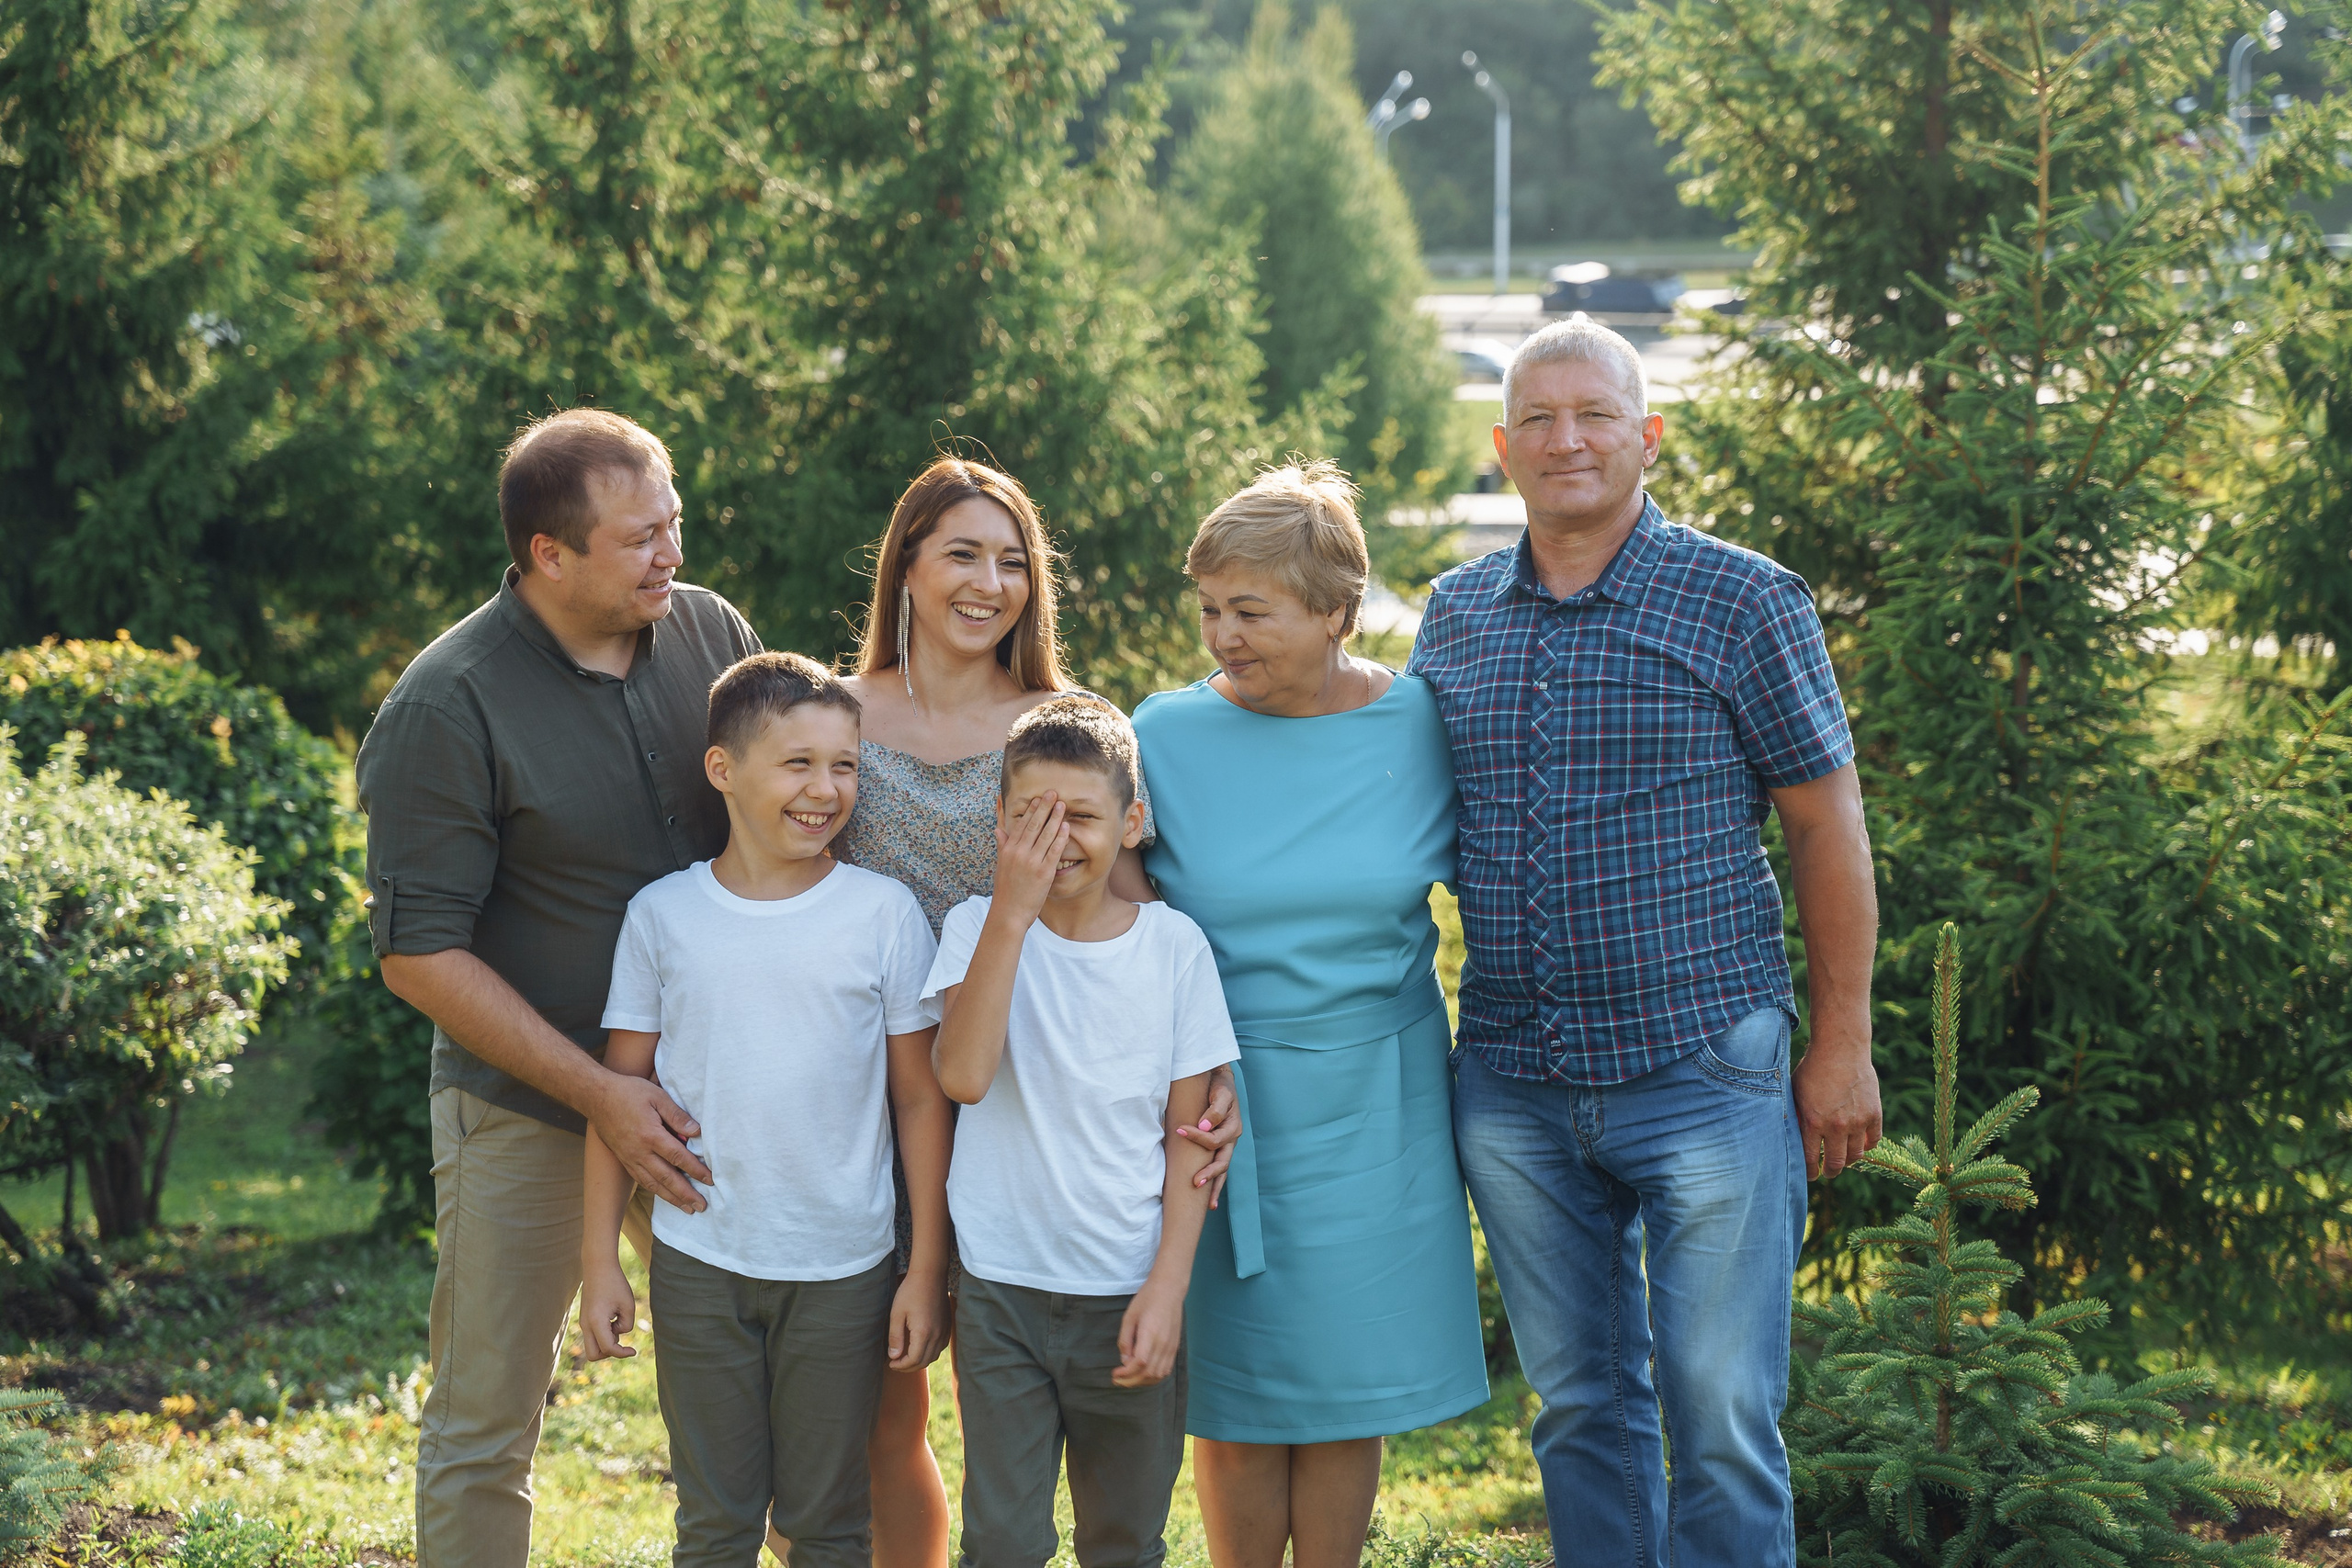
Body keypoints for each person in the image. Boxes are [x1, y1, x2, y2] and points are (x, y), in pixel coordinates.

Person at [1407, 317, 1882, 1567]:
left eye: (1595, 414)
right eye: (1539, 419)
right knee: (1579, 1409)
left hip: (1703, 1066)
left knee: (1720, 1415)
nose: (1567, 439)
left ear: (1648, 435)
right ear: (1503, 446)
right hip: (1513, 1079)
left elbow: (1826, 822)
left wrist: (1842, 1043)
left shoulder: (1744, 598)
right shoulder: (1453, 615)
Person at [355, 409, 760, 1568]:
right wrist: (598, 1093)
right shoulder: (446, 704)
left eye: (673, 523)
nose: (671, 555)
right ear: (549, 553)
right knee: (486, 1422)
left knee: (773, 1393)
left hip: (715, 1096)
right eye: (640, 539)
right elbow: (417, 955)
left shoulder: (710, 631)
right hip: (527, 1110)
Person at [832, 457, 1241, 1566]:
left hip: (1038, 1098)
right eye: (962, 554)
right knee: (875, 1413)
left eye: (1012, 562)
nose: (989, 583)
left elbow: (1131, 916)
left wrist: (1204, 1088)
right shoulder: (834, 714)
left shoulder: (1068, 726)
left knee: (1086, 1490)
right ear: (905, 566)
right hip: (874, 1082)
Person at [1133, 463, 1488, 1568]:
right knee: (1239, 1399)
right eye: (1209, 610)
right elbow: (1124, 923)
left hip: (1379, 1103)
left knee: (1344, 1389)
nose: (1222, 637)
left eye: (1251, 611)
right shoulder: (1163, 734)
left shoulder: (1422, 722)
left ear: (1337, 611)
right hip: (1219, 1101)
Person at [578, 652, 952, 1568]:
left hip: (845, 1270)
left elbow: (918, 1098)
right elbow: (618, 1099)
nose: (825, 789)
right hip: (700, 1261)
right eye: (798, 763)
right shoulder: (663, 915)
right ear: (723, 768)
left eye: (845, 765)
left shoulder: (884, 913)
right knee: (714, 1524)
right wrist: (598, 1261)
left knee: (828, 1524)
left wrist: (924, 1266)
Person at [923, 696, 1237, 1568]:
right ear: (1000, 820)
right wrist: (1011, 916)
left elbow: (1191, 1137)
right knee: (1001, 1541)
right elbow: (963, 1076)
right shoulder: (974, 928)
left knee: (1124, 1539)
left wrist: (1167, 1287)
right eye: (1033, 815)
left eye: (1083, 817)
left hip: (1127, 1286)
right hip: (1000, 1291)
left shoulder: (1174, 949)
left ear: (1132, 824)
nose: (1056, 838)